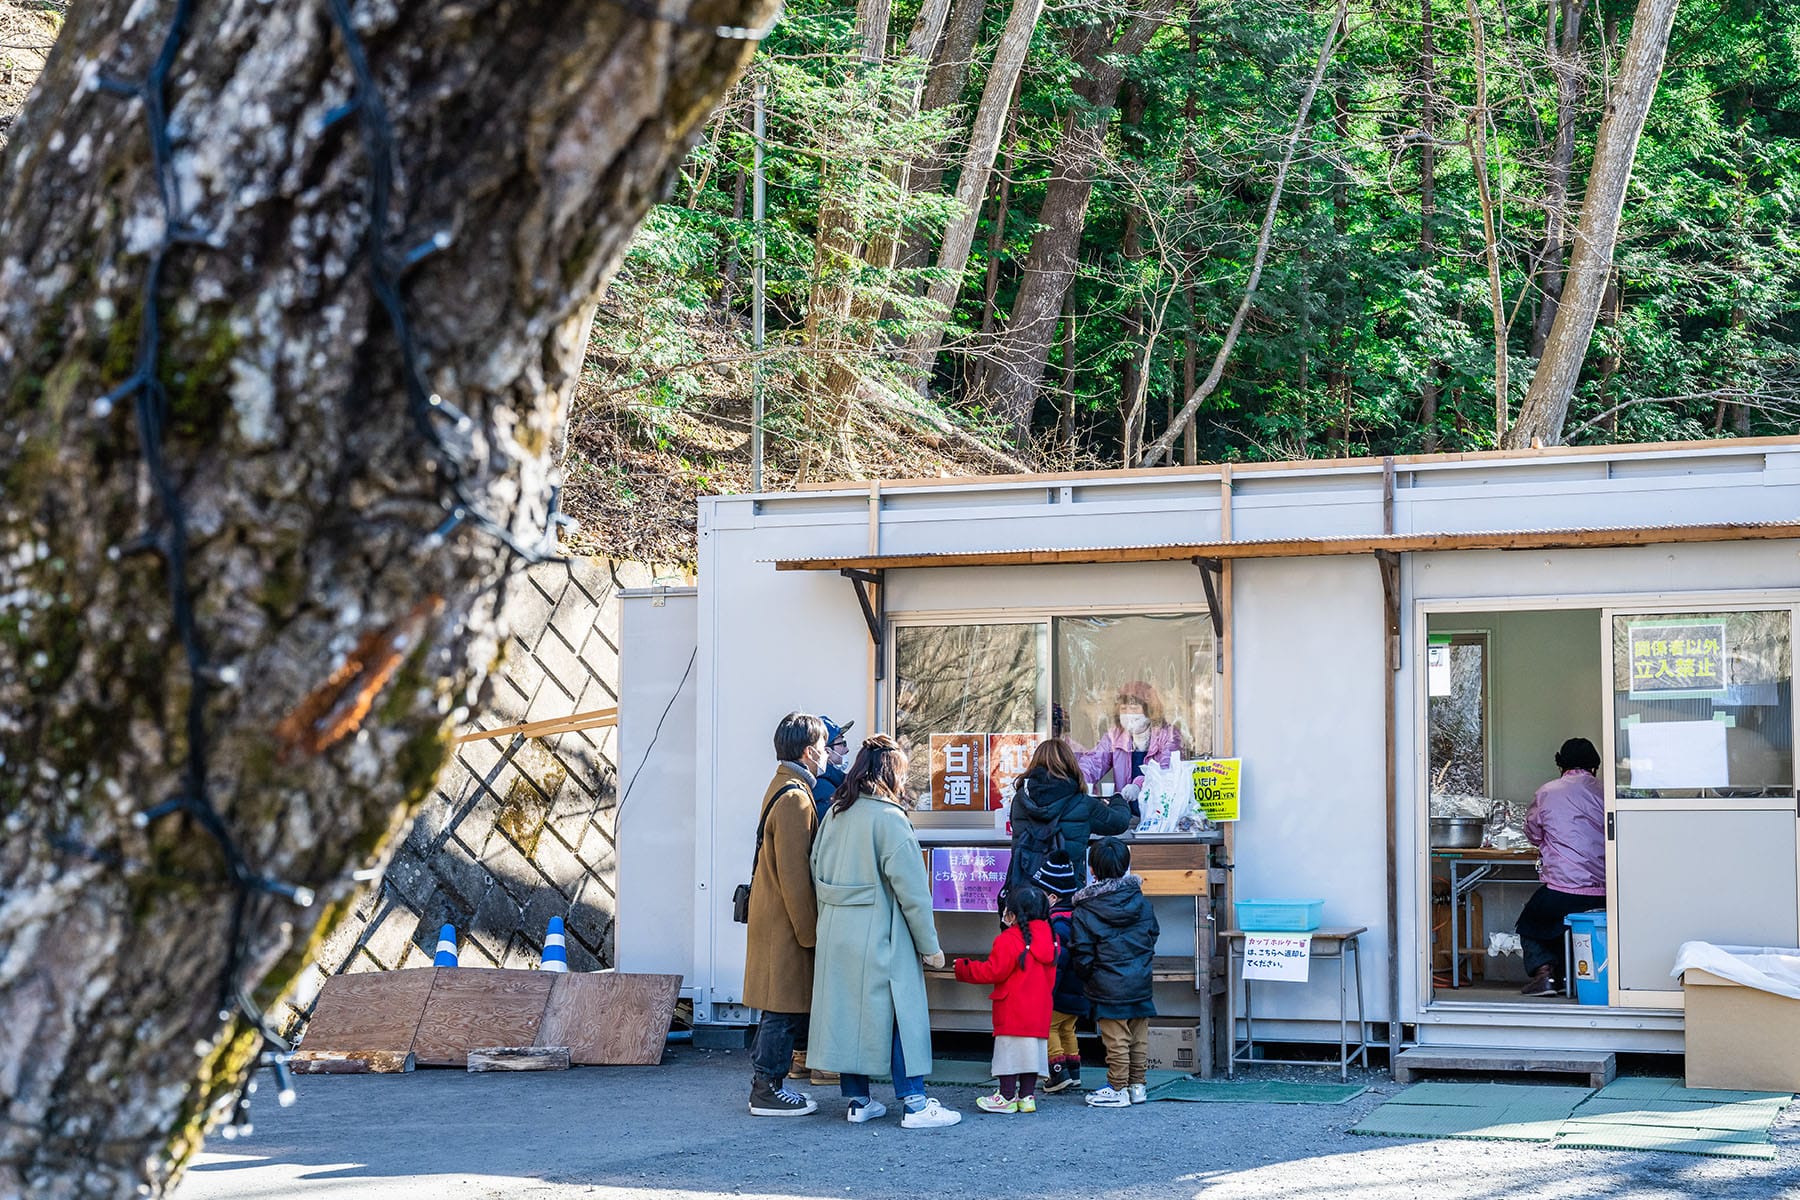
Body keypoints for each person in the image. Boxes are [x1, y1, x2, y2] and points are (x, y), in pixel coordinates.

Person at [807, 735, 962, 1128]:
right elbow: (913, 893)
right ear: (892, 775)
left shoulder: (837, 814)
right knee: (899, 1017)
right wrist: (931, 947)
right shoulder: (890, 820)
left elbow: (815, 869)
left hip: (837, 932)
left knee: (849, 1017)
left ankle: (858, 1101)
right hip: (881, 935)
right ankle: (914, 1102)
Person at [743, 712, 830, 1116]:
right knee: (782, 1007)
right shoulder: (796, 797)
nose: (827, 755)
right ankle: (767, 1089)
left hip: (772, 915)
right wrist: (811, 934)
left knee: (776, 1006)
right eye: (825, 747)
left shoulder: (783, 785)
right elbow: (797, 876)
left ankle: (768, 1086)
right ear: (809, 751)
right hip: (786, 921)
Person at [1070, 837, 1159, 1108]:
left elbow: (1082, 951)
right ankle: (1138, 1085)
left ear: (1092, 870)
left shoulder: (1085, 907)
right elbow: (1152, 933)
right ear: (1126, 866)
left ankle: (1117, 1087)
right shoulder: (1140, 901)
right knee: (1138, 1037)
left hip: (1107, 982)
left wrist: (1088, 976)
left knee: (1116, 1039)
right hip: (1140, 979)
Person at [1515, 737, 1606, 997]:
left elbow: (1533, 831)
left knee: (1531, 922)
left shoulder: (1548, 792)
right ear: (1595, 766)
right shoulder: (1606, 791)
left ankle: (1546, 974)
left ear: (1560, 765)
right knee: (1564, 920)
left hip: (1563, 887)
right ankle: (1571, 975)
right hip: (1605, 890)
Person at [955, 886, 1055, 1114]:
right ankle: (1027, 1097)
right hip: (1039, 1011)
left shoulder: (1008, 939)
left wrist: (964, 968)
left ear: (1013, 914)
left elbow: (992, 971)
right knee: (1031, 1055)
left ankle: (1006, 1097)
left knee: (1008, 1056)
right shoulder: (1052, 939)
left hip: (1012, 1009)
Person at [1006, 738, 1130, 902]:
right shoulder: (1082, 803)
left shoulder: (1021, 800)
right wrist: (1118, 799)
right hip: (1066, 897)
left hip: (1025, 897)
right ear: (1071, 765)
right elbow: (1119, 823)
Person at [1076, 681, 1183, 821]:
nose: (1128, 714)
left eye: (1134, 708)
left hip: (1160, 817)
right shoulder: (1114, 736)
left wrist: (1139, 785)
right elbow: (1093, 762)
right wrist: (1077, 780)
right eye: (1123, 708)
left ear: (1149, 709)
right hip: (1127, 817)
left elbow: (1167, 771)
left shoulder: (1168, 735)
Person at [1033, 852, 1088, 1093]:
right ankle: (1073, 1073)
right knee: (1068, 1029)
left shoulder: (1056, 924)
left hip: (1060, 990)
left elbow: (1058, 962)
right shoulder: (1078, 916)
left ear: (1052, 897)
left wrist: (1046, 991)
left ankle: (1056, 1074)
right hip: (1078, 989)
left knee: (1049, 1028)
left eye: (1041, 895)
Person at [809, 717, 854, 821]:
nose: (847, 750)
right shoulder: (825, 791)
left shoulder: (832, 782)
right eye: (842, 743)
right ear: (827, 751)